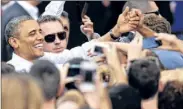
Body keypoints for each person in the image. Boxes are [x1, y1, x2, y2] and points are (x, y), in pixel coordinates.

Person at [6, 6, 141, 72]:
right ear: (14, 42)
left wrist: (116, 31)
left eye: (40, 32)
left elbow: (81, 52)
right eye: (32, 34)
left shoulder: (45, 58)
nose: (40, 38)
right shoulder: (12, 72)